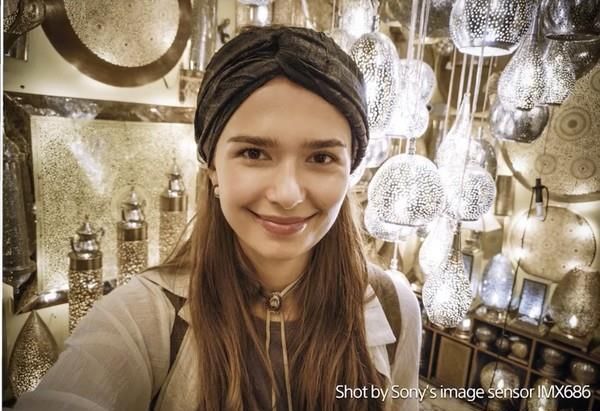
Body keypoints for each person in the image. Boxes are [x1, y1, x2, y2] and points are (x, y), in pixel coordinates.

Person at [13, 26, 421, 411]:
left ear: (350, 171)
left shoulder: (392, 308)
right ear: (212, 168)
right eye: (254, 153)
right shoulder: (143, 316)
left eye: (321, 157)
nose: (287, 194)